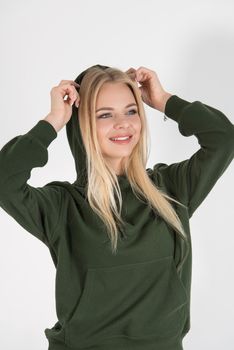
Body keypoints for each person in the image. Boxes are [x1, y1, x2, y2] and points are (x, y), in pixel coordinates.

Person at [0, 64, 233, 350]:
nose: (123, 123)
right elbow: (5, 180)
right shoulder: (63, 207)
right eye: (104, 115)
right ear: (82, 124)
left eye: (131, 110)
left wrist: (163, 100)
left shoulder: (172, 190)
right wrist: (54, 120)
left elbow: (223, 138)